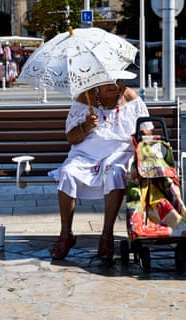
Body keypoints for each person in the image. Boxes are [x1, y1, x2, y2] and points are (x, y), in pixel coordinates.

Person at [49, 73, 152, 261]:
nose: (113, 85)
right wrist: (86, 126)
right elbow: (71, 138)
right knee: (67, 173)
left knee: (114, 172)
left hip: (120, 153)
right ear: (96, 83)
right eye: (107, 82)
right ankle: (66, 234)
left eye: (117, 81)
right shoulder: (84, 99)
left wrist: (144, 133)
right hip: (86, 154)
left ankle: (107, 234)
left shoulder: (130, 97)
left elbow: (147, 130)